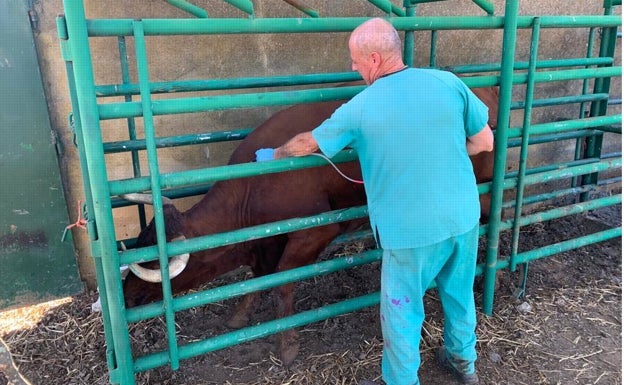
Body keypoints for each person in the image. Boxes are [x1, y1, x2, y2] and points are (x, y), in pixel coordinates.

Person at [255, 18, 493, 385]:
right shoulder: (448, 82)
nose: (353, 68)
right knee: (459, 295)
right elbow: (484, 143)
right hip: (463, 217)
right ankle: (464, 363)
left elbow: (307, 144)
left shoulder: (360, 107)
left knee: (402, 313)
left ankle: (400, 381)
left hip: (410, 230)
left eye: (356, 60)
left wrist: (273, 154)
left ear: (376, 60)